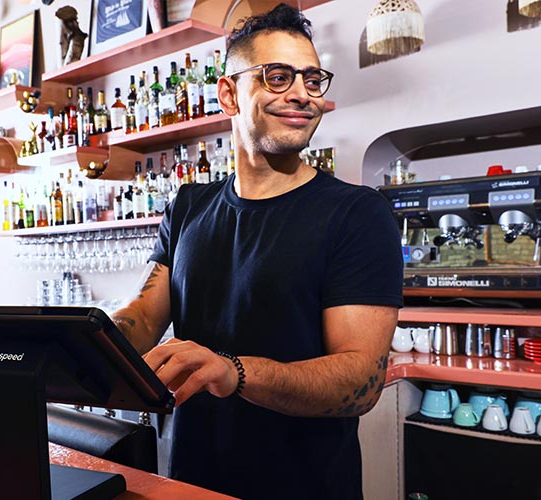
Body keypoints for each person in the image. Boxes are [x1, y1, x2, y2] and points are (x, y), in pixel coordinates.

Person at [112, 3, 403, 498]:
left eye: (313, 80)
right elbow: (144, 315)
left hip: (305, 487)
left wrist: (234, 371)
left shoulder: (357, 214)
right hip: (193, 483)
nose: (301, 95)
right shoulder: (189, 206)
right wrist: (85, 340)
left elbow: (361, 380)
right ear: (228, 93)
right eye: (277, 76)